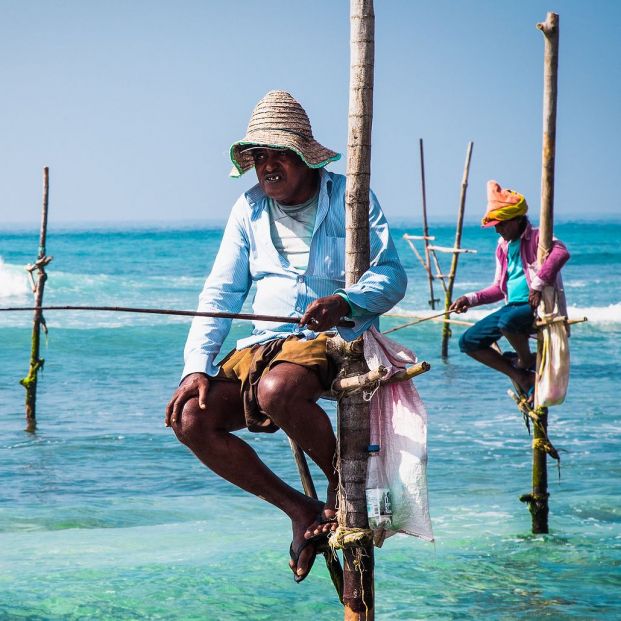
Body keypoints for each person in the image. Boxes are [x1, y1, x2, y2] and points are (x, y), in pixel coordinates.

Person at [165, 90, 406, 583]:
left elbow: (391, 275)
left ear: (304, 157)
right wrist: (196, 364)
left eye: (279, 156)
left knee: (278, 390)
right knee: (191, 418)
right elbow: (222, 290)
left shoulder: (349, 196)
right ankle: (300, 509)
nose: (268, 167)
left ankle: (345, 486)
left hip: (336, 339)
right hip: (263, 345)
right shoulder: (248, 208)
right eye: (259, 157)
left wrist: (346, 302)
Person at [449, 180, 569, 399]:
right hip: (512, 308)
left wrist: (538, 285)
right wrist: (469, 298)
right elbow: (498, 288)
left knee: (508, 322)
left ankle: (526, 360)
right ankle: (521, 376)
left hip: (535, 307)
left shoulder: (537, 237)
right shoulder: (503, 247)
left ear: (517, 220)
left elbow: (561, 253)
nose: (497, 229)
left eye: (501, 224)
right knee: (468, 341)